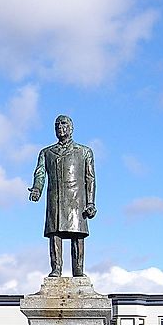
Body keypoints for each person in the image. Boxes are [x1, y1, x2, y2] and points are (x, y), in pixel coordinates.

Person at [28, 115, 96, 277]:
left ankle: (78, 269)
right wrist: (37, 188)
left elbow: (90, 178)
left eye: (64, 124)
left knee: (77, 234)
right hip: (55, 199)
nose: (60, 127)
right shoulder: (46, 152)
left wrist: (91, 202)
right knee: (55, 232)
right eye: (57, 125)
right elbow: (40, 173)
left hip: (77, 200)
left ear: (71, 128)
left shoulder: (84, 151)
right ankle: (56, 268)